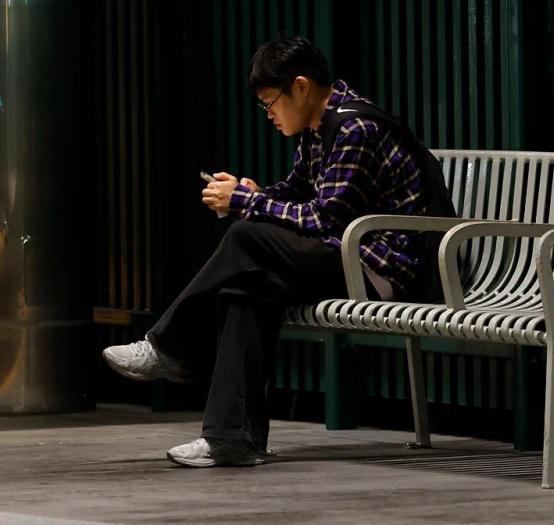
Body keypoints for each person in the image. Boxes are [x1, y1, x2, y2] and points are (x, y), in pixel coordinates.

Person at [102, 35, 428, 467]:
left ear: (300, 87)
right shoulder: (319, 128)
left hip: (380, 268)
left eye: (270, 102)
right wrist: (255, 192)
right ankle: (232, 439)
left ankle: (168, 347)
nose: (269, 114)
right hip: (347, 254)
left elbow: (324, 219)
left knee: (245, 236)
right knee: (246, 288)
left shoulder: (353, 129)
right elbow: (298, 191)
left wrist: (246, 204)